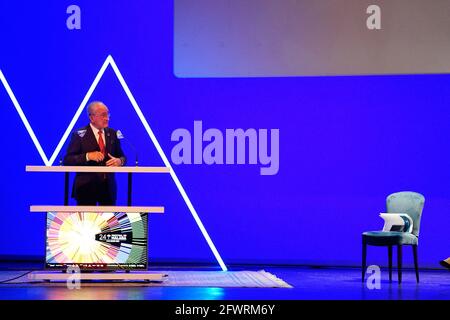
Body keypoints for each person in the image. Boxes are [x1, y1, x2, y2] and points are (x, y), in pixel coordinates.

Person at [64, 101, 126, 205]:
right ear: (92, 118)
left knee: (109, 221)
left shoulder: (113, 134)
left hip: (108, 190)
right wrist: (88, 156)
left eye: (108, 114)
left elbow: (123, 156)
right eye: (103, 115)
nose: (107, 118)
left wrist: (119, 161)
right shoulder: (79, 135)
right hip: (86, 189)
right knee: (87, 222)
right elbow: (68, 160)